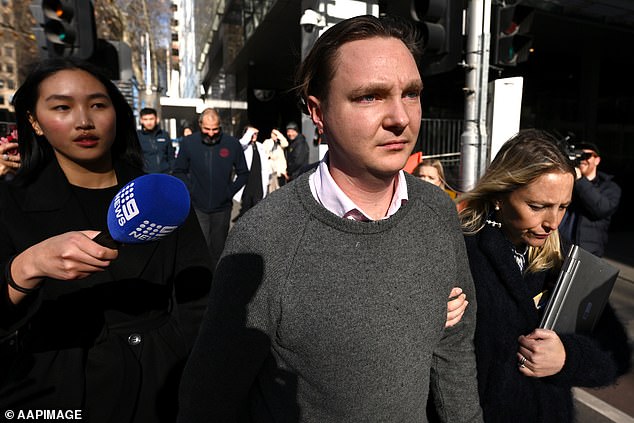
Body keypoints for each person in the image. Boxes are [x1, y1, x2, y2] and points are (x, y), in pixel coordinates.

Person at [177, 15, 482, 422]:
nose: (400, 117)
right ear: (318, 114)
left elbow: (454, 349)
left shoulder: (438, 212)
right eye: (369, 97)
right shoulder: (265, 238)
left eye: (411, 93)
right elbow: (209, 399)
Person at [0, 58, 213, 422]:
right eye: (62, 107)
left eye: (98, 104)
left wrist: (180, 360)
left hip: (160, 385)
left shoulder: (160, 197)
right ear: (34, 121)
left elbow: (199, 298)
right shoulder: (10, 202)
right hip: (54, 389)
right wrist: (28, 266)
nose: (84, 120)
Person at [457, 129, 630, 422]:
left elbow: (616, 354)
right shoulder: (459, 252)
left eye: (563, 207)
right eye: (538, 207)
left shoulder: (566, 259)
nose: (552, 222)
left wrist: (567, 357)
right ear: (500, 195)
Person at [172, 107, 248, 270]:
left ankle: (217, 285)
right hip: (198, 206)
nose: (211, 133)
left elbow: (243, 174)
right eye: (207, 129)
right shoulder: (189, 143)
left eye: (215, 129)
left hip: (222, 207)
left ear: (220, 126)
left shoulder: (232, 144)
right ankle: (201, 282)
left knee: (218, 249)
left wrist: (229, 192)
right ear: (200, 125)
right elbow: (178, 171)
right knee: (200, 246)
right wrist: (191, 190)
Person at [559, 141, 620, 257]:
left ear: (597, 160)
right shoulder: (567, 180)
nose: (582, 159)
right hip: (558, 248)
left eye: (586, 156)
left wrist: (580, 180)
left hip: (588, 253)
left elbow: (602, 208)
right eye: (578, 155)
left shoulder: (610, 187)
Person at [233, 125, 271, 219]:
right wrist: (249, 132)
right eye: (252, 134)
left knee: (258, 208)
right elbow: (241, 143)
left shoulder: (260, 146)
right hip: (248, 182)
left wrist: (267, 180)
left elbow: (265, 165)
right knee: (246, 207)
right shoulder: (243, 146)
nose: (254, 136)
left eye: (256, 134)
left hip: (258, 181)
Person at [137, 107, 175, 174]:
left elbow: (171, 156)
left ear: (157, 119)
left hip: (165, 174)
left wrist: (172, 170)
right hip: (146, 175)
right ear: (141, 121)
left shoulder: (164, 135)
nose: (149, 122)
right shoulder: (137, 136)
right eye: (145, 119)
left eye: (151, 119)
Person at [262, 128, 288, 192]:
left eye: (275, 134)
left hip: (280, 171)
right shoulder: (267, 142)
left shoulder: (280, 144)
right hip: (271, 170)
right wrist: (270, 156)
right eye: (272, 133)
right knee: (271, 190)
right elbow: (264, 152)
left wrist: (279, 135)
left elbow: (286, 144)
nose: (274, 135)